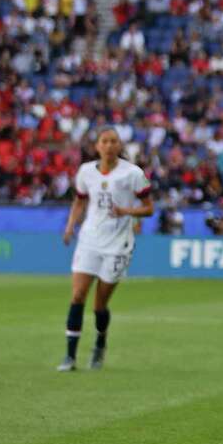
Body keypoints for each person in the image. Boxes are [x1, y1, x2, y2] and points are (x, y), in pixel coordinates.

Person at [57, 128, 154, 372]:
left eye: (114, 141)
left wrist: (126, 212)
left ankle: (100, 342)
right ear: (97, 146)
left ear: (119, 146)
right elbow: (79, 201)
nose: (109, 145)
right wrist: (70, 227)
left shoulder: (132, 174)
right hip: (89, 239)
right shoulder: (86, 172)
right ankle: (70, 357)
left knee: (99, 304)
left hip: (118, 244)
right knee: (77, 295)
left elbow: (149, 208)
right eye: (105, 141)